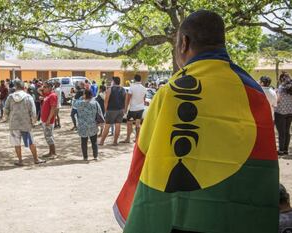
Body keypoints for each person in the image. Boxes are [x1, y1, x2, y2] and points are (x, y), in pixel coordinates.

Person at [114, 10, 278, 233]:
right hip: (239, 215)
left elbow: (144, 154)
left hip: (182, 217)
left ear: (184, 42)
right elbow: (262, 164)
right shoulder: (253, 91)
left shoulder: (171, 92)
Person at [4, 80, 45, 166]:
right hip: (25, 123)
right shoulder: (28, 97)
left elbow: (6, 109)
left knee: (16, 143)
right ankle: (36, 159)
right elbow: (33, 111)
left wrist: (7, 118)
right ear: (24, 87)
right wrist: (33, 121)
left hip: (14, 123)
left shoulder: (10, 97)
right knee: (31, 142)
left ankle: (20, 161)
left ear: (16, 87)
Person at [73, 89, 102, 160]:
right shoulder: (95, 103)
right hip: (93, 125)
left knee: (84, 142)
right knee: (94, 141)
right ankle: (95, 156)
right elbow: (100, 113)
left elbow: (73, 105)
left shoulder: (79, 103)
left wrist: (80, 98)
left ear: (84, 95)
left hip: (82, 125)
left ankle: (85, 157)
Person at [99, 76, 126, 146]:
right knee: (118, 126)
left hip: (111, 110)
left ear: (113, 82)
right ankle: (115, 141)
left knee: (107, 126)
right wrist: (124, 109)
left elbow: (106, 101)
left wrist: (105, 110)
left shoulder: (110, 89)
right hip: (120, 110)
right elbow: (125, 101)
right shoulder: (123, 90)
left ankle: (102, 141)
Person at [122, 74, 146, 143]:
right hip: (141, 108)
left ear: (134, 79)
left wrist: (126, 108)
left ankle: (128, 138)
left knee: (129, 123)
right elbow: (143, 99)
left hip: (133, 109)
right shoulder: (144, 88)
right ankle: (137, 139)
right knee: (138, 124)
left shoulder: (132, 87)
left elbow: (128, 99)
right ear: (140, 80)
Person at [39, 81, 58, 157]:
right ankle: (50, 152)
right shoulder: (47, 95)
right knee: (48, 136)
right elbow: (38, 90)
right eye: (43, 87)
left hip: (48, 120)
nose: (43, 88)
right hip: (44, 119)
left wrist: (48, 119)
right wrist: (43, 87)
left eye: (45, 87)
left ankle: (54, 153)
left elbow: (53, 108)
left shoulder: (52, 95)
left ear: (50, 88)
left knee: (49, 136)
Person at [275, 73, 292, 156]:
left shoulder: (281, 88)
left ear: (281, 79)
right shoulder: (291, 87)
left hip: (280, 113)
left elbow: (277, 100)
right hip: (290, 112)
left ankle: (281, 150)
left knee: (281, 132)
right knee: (287, 131)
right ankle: (286, 150)